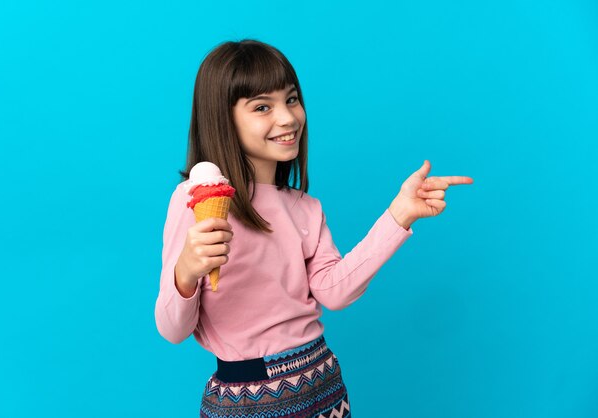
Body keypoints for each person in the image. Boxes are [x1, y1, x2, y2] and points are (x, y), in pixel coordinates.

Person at [154, 39, 473, 417]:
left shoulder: (306, 208)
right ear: (223, 118)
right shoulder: (192, 201)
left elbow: (334, 291)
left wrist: (398, 215)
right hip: (244, 399)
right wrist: (187, 270)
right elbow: (173, 329)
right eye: (261, 107)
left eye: (291, 99)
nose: (288, 118)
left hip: (322, 385)